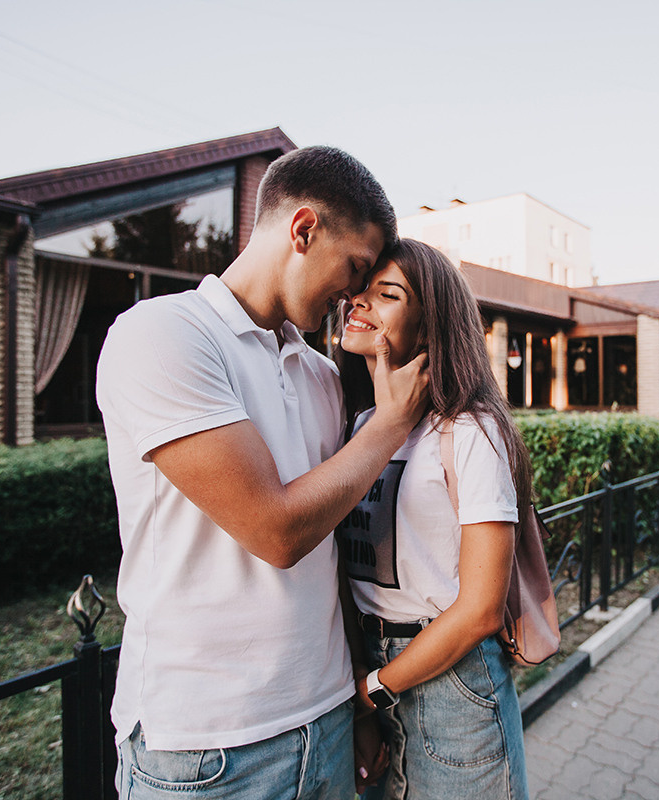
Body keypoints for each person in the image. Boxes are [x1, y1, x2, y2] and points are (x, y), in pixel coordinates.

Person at [95, 146, 429, 800]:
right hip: (208, 749)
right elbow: (276, 531)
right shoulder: (163, 334)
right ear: (303, 230)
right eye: (355, 268)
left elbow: (330, 551)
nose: (356, 295)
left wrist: (358, 705)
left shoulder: (322, 375)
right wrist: (392, 422)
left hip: (326, 721)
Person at [334, 239, 532, 799]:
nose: (358, 302)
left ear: (428, 328)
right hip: (371, 670)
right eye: (360, 291)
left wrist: (373, 690)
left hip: (451, 683)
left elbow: (480, 610)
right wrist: (367, 687)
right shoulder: (362, 427)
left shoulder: (469, 429)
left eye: (387, 294)